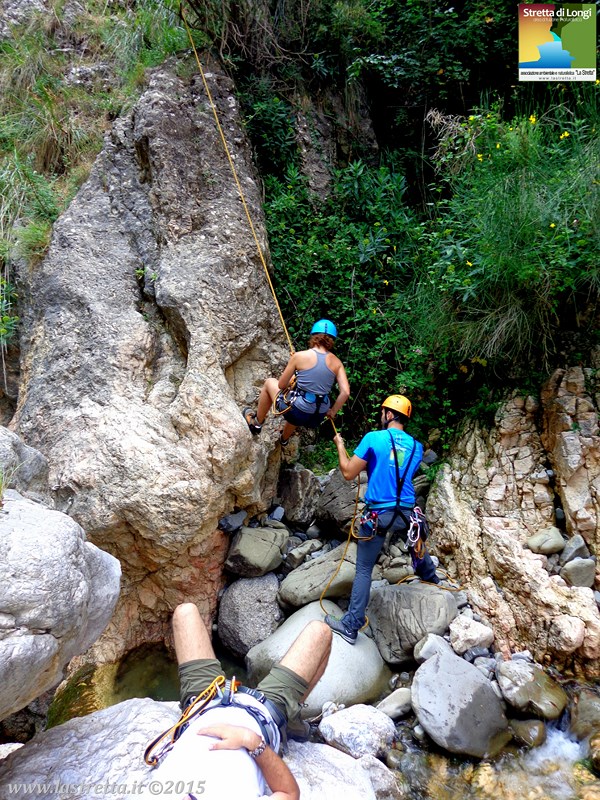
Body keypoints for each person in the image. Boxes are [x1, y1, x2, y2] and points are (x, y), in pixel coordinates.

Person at [142, 603, 332, 799]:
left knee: (185, 612)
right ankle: (289, 720)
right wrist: (252, 741)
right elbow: (289, 794)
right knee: (320, 633)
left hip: (204, 702)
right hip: (264, 715)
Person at [324, 394, 439, 645]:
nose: (381, 415)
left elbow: (348, 472)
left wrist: (340, 445)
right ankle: (431, 577)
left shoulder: (373, 438)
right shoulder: (417, 447)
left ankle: (351, 625)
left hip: (378, 513)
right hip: (406, 512)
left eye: (383, 412)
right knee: (415, 540)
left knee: (364, 569)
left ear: (388, 414)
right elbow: (397, 470)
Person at [244, 319, 350, 446]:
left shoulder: (299, 356)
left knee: (270, 383)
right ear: (332, 340)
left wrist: (295, 366)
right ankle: (284, 439)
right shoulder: (337, 363)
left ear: (314, 337)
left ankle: (256, 423)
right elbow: (345, 392)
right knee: (299, 403)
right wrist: (332, 411)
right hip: (317, 417)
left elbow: (281, 385)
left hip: (298, 412)